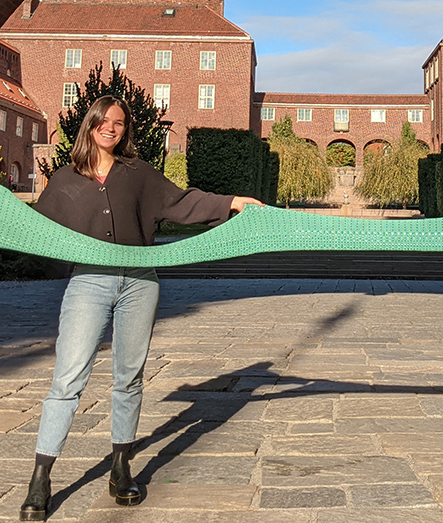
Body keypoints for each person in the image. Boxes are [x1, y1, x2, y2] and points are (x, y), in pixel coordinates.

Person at [18, 96, 262, 521]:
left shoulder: (138, 173)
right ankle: (41, 476)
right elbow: (36, 231)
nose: (111, 128)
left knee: (128, 378)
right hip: (88, 282)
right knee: (67, 378)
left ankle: (120, 467)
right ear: (90, 125)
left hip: (139, 283)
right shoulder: (64, 180)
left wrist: (232, 202)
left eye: (119, 123)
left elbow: (182, 202)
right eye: (104, 121)